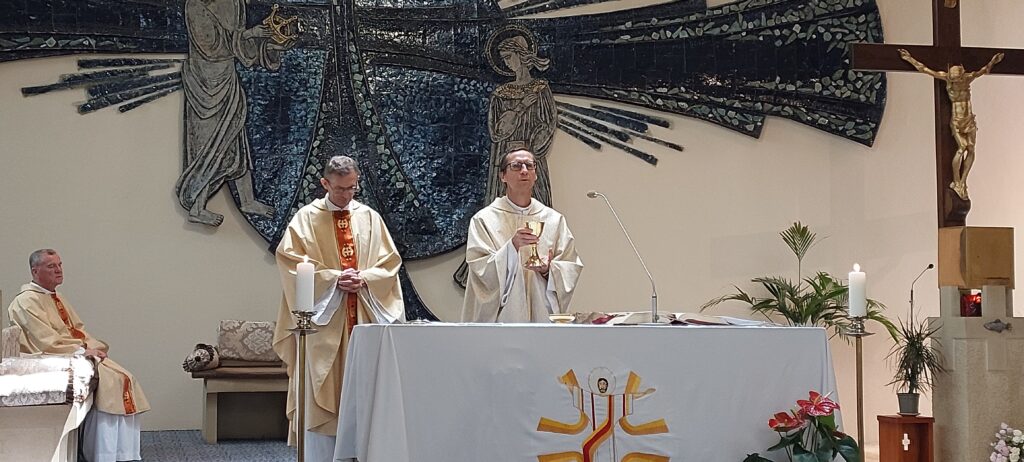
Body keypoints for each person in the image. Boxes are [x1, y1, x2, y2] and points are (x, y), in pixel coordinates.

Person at [271, 155, 405, 460]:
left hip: (365, 316)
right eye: (340, 188)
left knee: (367, 390)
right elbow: (290, 261)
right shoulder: (306, 219)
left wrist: (365, 278)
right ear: (325, 183)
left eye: (352, 187)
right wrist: (333, 279)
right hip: (322, 324)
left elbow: (389, 263)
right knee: (321, 388)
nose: (347, 195)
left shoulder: (369, 217)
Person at [8, 249, 150, 462]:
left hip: (70, 351)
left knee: (123, 377)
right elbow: (45, 340)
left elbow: (77, 330)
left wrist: (92, 347)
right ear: (35, 271)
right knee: (113, 381)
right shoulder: (26, 301)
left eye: (60, 265)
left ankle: (119, 451)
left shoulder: (56, 297)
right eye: (51, 266)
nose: (58, 270)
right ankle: (103, 453)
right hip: (49, 357)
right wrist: (83, 351)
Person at [177, 0, 294, 226]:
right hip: (204, 84)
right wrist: (249, 34)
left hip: (228, 79)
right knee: (207, 145)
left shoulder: (234, 2)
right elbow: (210, 45)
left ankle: (248, 200)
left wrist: (268, 46)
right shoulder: (195, 5)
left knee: (237, 140)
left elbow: (243, 50)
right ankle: (197, 207)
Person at [461, 148, 583, 322]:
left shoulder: (554, 220)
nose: (524, 171)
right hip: (502, 318)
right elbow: (480, 271)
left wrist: (548, 270)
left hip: (542, 313)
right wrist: (511, 248)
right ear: (503, 176)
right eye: (516, 166)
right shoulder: (484, 220)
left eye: (529, 166)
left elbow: (570, 265)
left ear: (535, 175)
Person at [898, 48, 1004, 200]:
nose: (955, 81)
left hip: (969, 118)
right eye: (952, 78)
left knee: (971, 149)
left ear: (962, 74)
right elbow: (924, 69)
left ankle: (963, 181)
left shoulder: (968, 78)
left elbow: (983, 71)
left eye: (957, 78)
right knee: (961, 148)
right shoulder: (946, 78)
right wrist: (909, 59)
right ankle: (956, 180)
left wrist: (993, 61)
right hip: (957, 120)